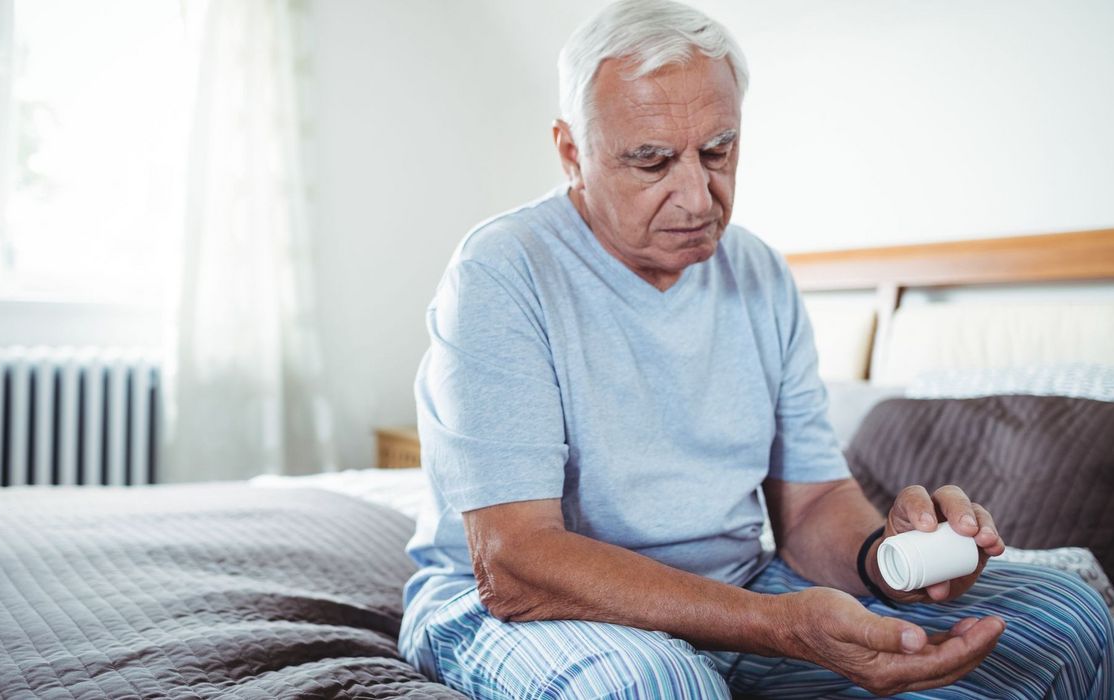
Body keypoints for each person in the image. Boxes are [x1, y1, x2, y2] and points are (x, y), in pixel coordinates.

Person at [397, 1, 1114, 697]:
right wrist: (776, 626)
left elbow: (809, 508)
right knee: (659, 684)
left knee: (1068, 615)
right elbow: (517, 561)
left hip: (738, 587)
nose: (697, 199)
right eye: (650, 162)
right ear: (571, 153)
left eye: (717, 151)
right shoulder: (501, 271)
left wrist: (885, 561)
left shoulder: (762, 274)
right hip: (517, 604)